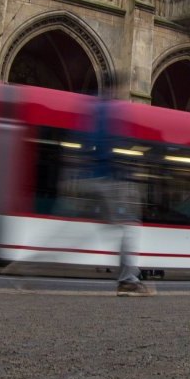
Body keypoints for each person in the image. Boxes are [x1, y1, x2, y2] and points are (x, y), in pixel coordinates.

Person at [80, 74, 154, 297]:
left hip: (89, 178)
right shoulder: (109, 110)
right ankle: (128, 281)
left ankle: (28, 267)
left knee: (71, 232)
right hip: (104, 179)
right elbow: (109, 145)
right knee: (128, 225)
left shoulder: (93, 108)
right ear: (114, 89)